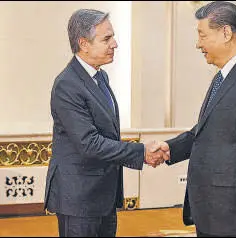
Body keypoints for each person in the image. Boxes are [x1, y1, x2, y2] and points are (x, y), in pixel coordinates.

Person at [153, 1, 236, 237]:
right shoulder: (223, 76)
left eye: (202, 35)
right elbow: (207, 130)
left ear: (226, 33)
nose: (198, 44)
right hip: (215, 210)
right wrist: (170, 148)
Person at [44, 9, 167, 237]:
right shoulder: (67, 85)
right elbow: (88, 143)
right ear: (84, 44)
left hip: (103, 196)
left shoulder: (101, 77)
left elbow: (107, 133)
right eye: (107, 39)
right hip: (79, 199)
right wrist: (141, 152)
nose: (115, 44)